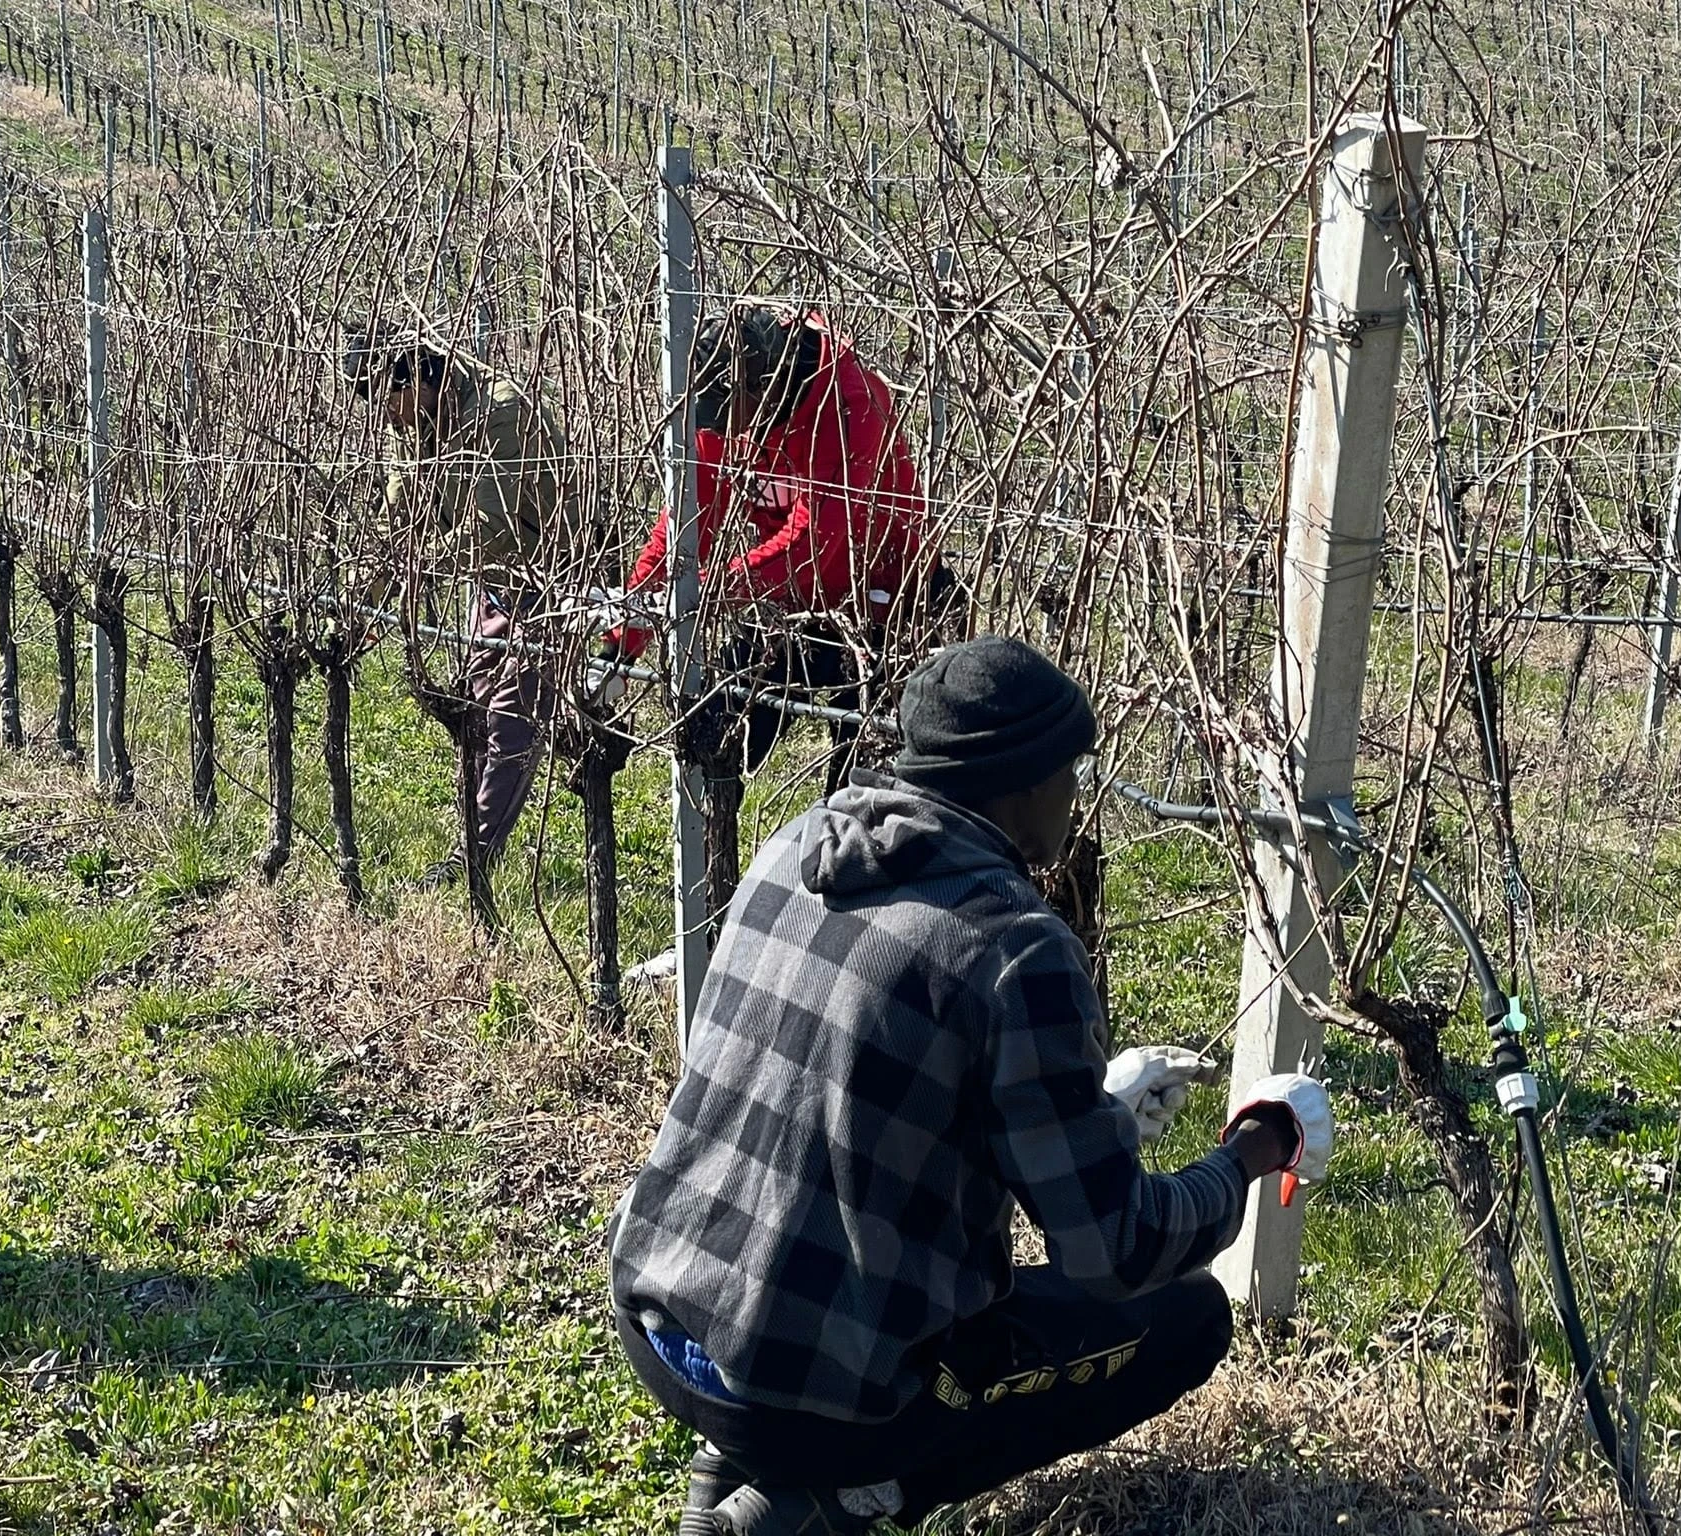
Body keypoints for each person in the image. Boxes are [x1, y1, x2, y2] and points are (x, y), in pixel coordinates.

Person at [608, 637, 1334, 1536]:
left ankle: (734, 1461)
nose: (1077, 793)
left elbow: (857, 1108)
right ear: (1023, 783)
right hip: (815, 1388)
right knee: (1185, 1321)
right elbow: (1117, 1252)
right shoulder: (1018, 948)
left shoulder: (799, 845)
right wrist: (1254, 1148)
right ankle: (829, 1495)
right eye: (1071, 771)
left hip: (662, 1313)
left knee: (806, 1280)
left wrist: (1096, 1109)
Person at [608, 305, 954, 797]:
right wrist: (622, 641)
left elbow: (817, 548)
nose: (725, 434)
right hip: (791, 601)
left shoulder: (849, 404)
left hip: (891, 600)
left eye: (730, 419)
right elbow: (683, 528)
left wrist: (703, 593)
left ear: (763, 388)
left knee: (864, 795)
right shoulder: (724, 402)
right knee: (716, 731)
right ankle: (716, 829)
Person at [344, 327, 568, 888]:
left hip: (552, 575)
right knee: (475, 704)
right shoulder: (411, 424)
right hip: (493, 581)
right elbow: (400, 520)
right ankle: (475, 837)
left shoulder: (500, 414)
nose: (384, 416)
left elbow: (493, 533)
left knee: (513, 718)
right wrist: (362, 600)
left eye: (386, 397)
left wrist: (419, 566)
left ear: (418, 379)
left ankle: (475, 856)